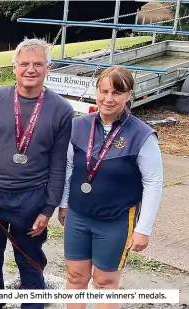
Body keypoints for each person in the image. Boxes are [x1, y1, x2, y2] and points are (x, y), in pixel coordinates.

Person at [0, 38, 74, 309]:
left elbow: (59, 164)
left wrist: (48, 209)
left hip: (32, 199)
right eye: (24, 63)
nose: (31, 69)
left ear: (48, 67)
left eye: (38, 63)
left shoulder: (62, 110)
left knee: (31, 263)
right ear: (14, 67)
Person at [58, 66, 163, 309]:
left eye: (116, 92)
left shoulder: (142, 135)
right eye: (103, 91)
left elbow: (153, 182)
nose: (108, 98)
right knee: (75, 277)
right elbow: (69, 168)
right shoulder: (78, 126)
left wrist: (143, 228)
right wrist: (63, 204)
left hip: (115, 220)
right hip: (78, 215)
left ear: (129, 95)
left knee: (105, 282)